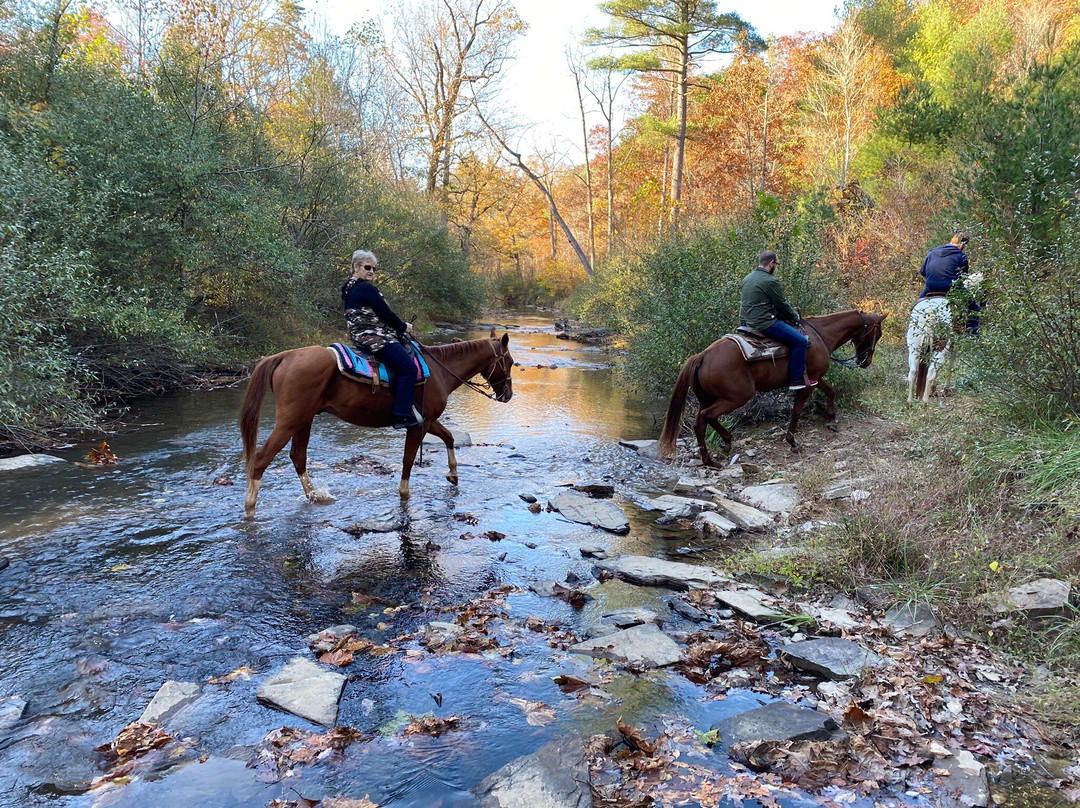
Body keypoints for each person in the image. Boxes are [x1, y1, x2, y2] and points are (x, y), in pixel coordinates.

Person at [341, 250, 422, 429]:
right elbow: (385, 313)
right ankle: (401, 415)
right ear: (356, 267)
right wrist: (403, 327)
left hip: (360, 337)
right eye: (367, 267)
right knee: (409, 368)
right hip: (375, 338)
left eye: (374, 269)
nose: (371, 271)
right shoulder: (365, 288)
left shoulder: (350, 288)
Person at [739, 250, 816, 391]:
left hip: (749, 324)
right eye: (776, 264)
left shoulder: (747, 278)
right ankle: (796, 380)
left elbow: (744, 304)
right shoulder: (770, 281)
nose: (776, 267)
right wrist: (795, 317)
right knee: (801, 342)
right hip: (765, 324)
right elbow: (781, 304)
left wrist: (743, 322)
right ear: (772, 263)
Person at [918, 232, 981, 334]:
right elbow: (963, 277)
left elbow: (923, 272)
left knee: (916, 307)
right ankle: (972, 337)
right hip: (952, 288)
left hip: (931, 288)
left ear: (951, 241)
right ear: (962, 245)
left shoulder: (932, 253)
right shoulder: (961, 255)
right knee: (974, 309)